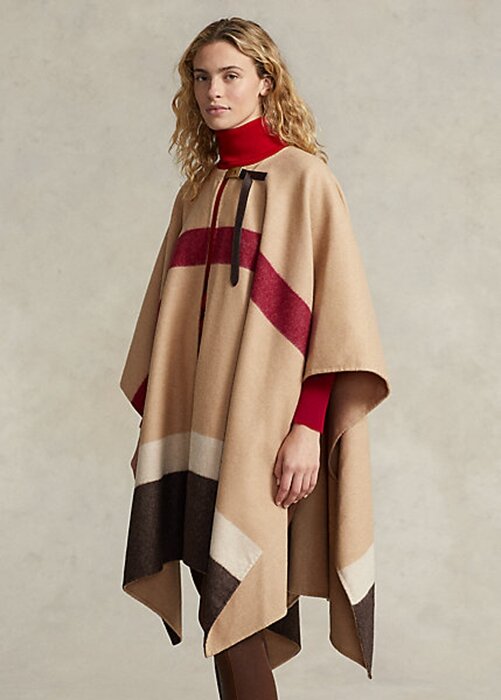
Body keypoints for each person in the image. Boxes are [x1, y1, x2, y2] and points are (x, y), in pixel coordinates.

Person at [119, 16, 390, 700]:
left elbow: (335, 323)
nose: (214, 91)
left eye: (231, 75)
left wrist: (307, 428)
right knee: (220, 608)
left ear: (266, 83)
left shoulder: (305, 181)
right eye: (202, 77)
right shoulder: (196, 192)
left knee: (236, 602)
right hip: (194, 431)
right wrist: (155, 430)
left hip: (265, 436)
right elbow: (170, 328)